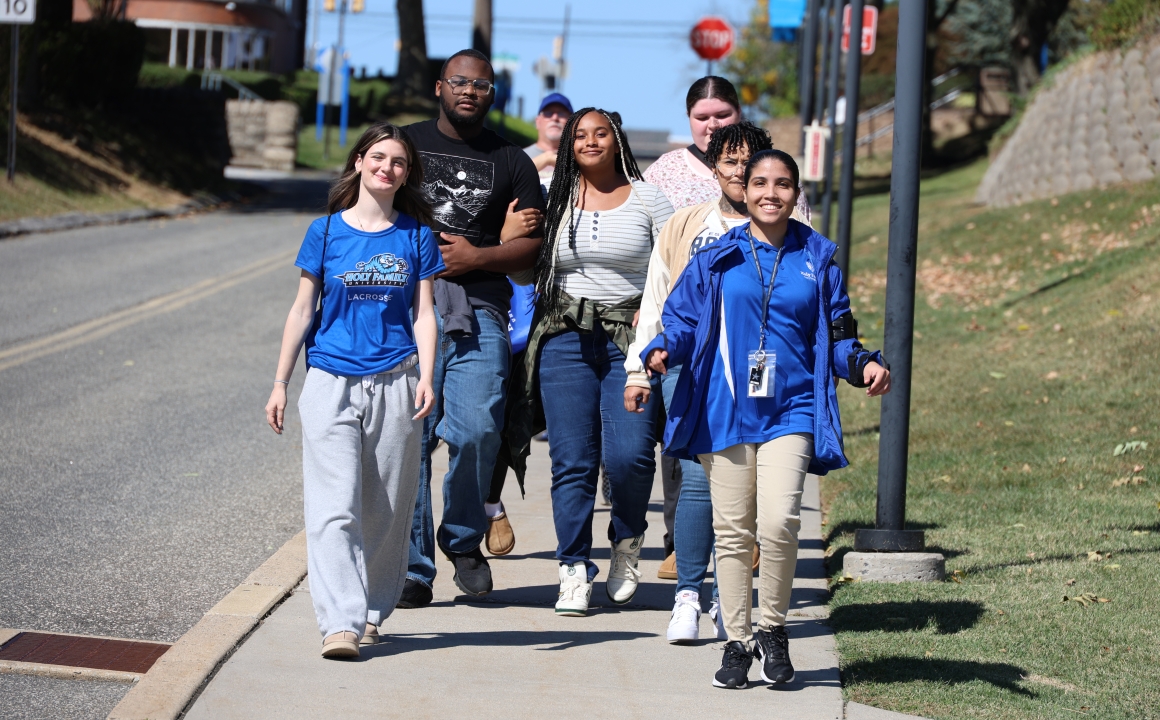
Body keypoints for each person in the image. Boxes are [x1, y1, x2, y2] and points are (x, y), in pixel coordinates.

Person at [642, 149, 891, 688]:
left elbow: (840, 332)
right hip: (725, 407)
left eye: (782, 184)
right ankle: (737, 641)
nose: (770, 194)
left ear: (795, 193)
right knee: (732, 531)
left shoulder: (818, 257)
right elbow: (682, 320)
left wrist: (864, 362)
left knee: (778, 523)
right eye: (759, 183)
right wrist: (663, 349)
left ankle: (773, 630)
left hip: (792, 407)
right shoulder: (717, 257)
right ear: (743, 189)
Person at [626, 121, 816, 644]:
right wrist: (644, 362)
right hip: (691, 370)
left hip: (772, 385)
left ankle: (737, 607)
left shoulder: (805, 242)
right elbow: (661, 302)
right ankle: (691, 593)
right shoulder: (691, 229)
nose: (741, 174)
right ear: (717, 169)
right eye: (730, 163)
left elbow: (826, 320)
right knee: (696, 481)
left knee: (761, 505)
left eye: (751, 164)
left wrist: (856, 360)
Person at [264, 123, 442, 658]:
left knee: (386, 510)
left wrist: (427, 376)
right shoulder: (324, 232)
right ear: (360, 162)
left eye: (400, 163)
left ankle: (369, 611)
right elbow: (302, 311)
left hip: (396, 381)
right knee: (333, 507)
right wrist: (279, 382)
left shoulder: (415, 235)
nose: (388, 169)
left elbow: (424, 314)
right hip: (329, 381)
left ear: (406, 175)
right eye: (379, 158)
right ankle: (338, 622)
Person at [504, 108, 674, 617]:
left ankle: (626, 539)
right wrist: (510, 234)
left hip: (629, 343)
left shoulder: (649, 198)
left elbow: (673, 269)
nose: (590, 140)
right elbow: (522, 275)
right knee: (571, 461)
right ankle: (573, 567)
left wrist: (655, 308)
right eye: (580, 134)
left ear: (617, 139)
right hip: (563, 340)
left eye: (601, 132)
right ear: (568, 144)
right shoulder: (552, 193)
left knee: (630, 456)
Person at [399, 49, 546, 608]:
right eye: (459, 82)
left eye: (481, 85)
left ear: (492, 95)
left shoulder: (512, 161)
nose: (469, 91)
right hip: (407, 312)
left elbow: (531, 246)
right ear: (439, 86)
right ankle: (415, 568)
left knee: (479, 429)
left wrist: (475, 257)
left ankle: (462, 540)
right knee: (411, 440)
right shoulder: (405, 146)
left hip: (479, 309)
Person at [524, 92, 573, 186]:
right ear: (538, 122)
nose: (555, 118)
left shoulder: (582, 159)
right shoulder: (518, 157)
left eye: (561, 113)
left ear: (572, 123)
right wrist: (547, 158)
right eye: (548, 113)